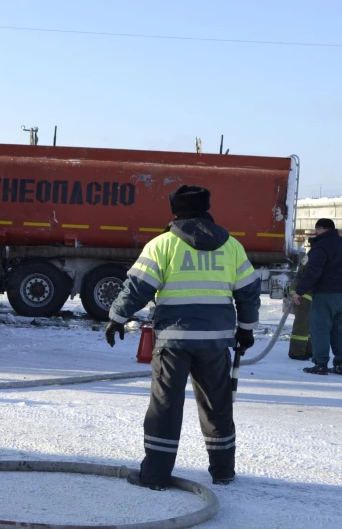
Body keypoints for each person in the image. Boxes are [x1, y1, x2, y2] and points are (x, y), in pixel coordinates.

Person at [105, 184, 261, 490]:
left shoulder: (162, 245)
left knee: (165, 407)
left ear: (175, 211)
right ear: (207, 209)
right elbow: (248, 292)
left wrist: (116, 318)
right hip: (216, 342)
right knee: (218, 406)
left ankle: (155, 476)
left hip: (173, 342)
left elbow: (137, 287)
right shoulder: (232, 246)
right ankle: (223, 472)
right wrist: (246, 329)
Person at [292, 218, 342, 375]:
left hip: (324, 293)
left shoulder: (320, 247)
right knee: (338, 329)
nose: (316, 232)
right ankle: (340, 364)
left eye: (317, 229)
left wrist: (300, 291)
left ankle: (321, 364)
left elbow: (313, 272)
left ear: (323, 229)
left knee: (320, 329)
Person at [287, 255, 314, 361]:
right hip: (303, 292)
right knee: (302, 324)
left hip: (303, 291)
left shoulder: (311, 255)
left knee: (309, 324)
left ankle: (308, 349)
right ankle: (297, 352)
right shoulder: (315, 255)